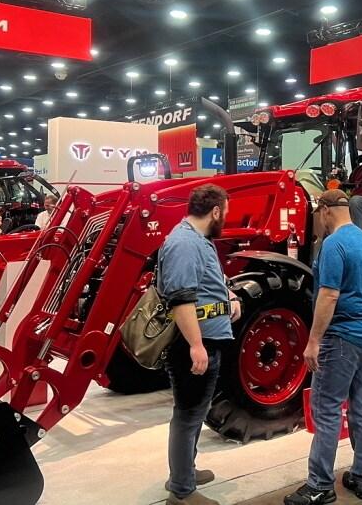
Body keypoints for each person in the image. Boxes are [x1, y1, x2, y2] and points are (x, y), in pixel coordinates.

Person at [285, 189, 362, 505]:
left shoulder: (333, 244)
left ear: (325, 210)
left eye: (317, 214)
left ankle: (319, 486)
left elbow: (329, 295)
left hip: (342, 336)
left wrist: (313, 341)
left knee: (327, 409)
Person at [157, 184, 241, 505]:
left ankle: (185, 471)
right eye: (226, 213)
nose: (226, 219)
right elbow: (181, 299)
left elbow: (206, 285)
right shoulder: (184, 243)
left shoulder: (198, 240)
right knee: (188, 415)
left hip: (207, 339)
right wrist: (195, 345)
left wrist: (229, 298)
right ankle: (181, 491)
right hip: (193, 343)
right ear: (215, 211)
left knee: (195, 411)